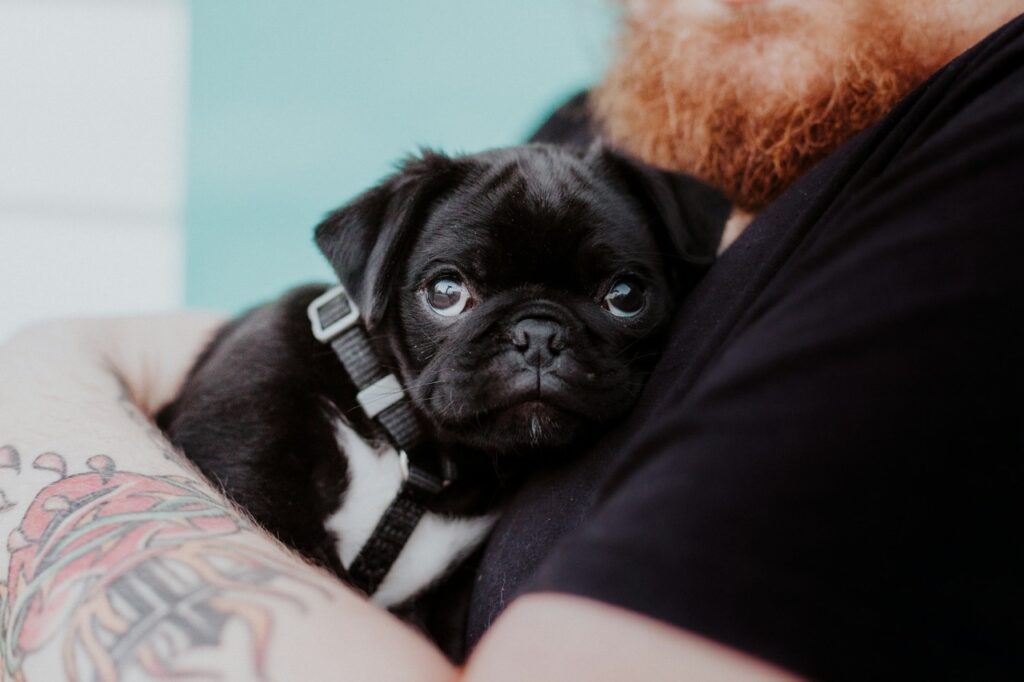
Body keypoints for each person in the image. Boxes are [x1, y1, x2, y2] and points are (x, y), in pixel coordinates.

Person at [2, 0, 1022, 678]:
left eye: (622, 299)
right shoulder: (611, 126)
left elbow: (126, 360)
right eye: (454, 291)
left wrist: (45, 390)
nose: (534, 345)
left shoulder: (985, 160)